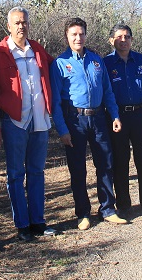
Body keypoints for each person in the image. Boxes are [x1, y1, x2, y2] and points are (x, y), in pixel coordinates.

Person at [0, 7, 66, 242]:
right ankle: (22, 225)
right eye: (17, 23)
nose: (21, 26)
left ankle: (38, 222)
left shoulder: (37, 49)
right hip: (14, 123)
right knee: (16, 174)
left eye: (25, 22)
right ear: (9, 26)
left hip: (40, 120)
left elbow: (57, 70)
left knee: (37, 172)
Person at [50, 17, 128, 230]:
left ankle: (107, 209)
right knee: (78, 169)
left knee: (105, 164)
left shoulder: (96, 60)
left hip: (99, 118)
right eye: (74, 34)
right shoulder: (59, 63)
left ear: (86, 35)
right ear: (67, 36)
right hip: (74, 121)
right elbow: (55, 102)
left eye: (81, 33)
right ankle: (83, 213)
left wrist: (115, 116)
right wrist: (62, 129)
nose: (78, 38)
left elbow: (108, 91)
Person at [103, 23, 142, 216]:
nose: (123, 40)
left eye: (127, 37)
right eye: (119, 37)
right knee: (120, 162)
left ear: (132, 39)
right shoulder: (105, 64)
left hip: (140, 115)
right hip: (117, 117)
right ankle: (123, 205)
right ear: (112, 40)